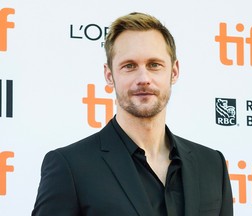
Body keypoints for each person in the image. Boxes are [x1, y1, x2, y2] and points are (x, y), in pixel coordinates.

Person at [32, 12, 233, 216]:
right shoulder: (70, 167)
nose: (143, 78)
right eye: (129, 66)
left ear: (174, 72)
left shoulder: (212, 165)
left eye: (154, 65)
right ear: (109, 76)